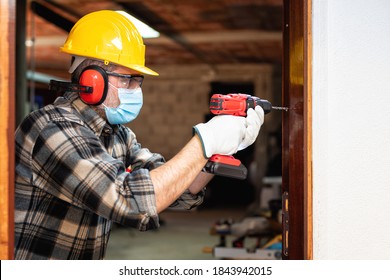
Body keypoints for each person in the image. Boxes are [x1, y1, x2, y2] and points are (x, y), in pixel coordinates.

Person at [14, 10, 265, 260]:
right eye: (128, 80)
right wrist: (204, 141)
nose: (136, 90)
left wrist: (220, 147)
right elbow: (133, 201)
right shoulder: (52, 128)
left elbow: (177, 188)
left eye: (138, 80)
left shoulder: (118, 135)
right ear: (92, 80)